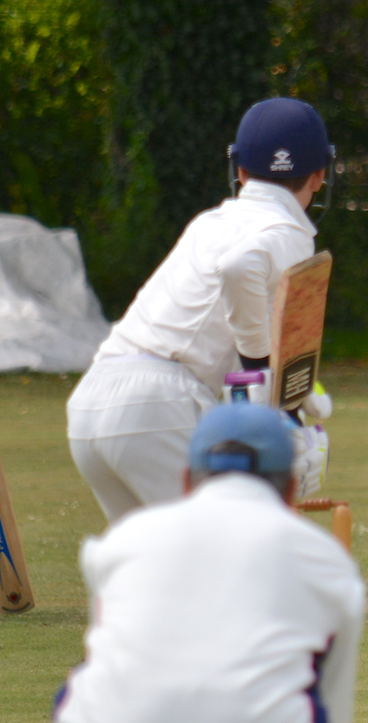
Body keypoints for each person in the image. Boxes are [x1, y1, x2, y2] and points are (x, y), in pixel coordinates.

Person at [67, 97, 334, 522]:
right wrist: (260, 367)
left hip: (92, 402)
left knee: (156, 573)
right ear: (319, 175)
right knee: (225, 554)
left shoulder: (210, 223)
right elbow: (238, 266)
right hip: (157, 404)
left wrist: (288, 404)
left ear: (241, 171)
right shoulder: (288, 232)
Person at [53, 403, 366, 723]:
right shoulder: (325, 556)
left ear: (186, 480)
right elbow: (334, 700)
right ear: (290, 490)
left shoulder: (122, 539)